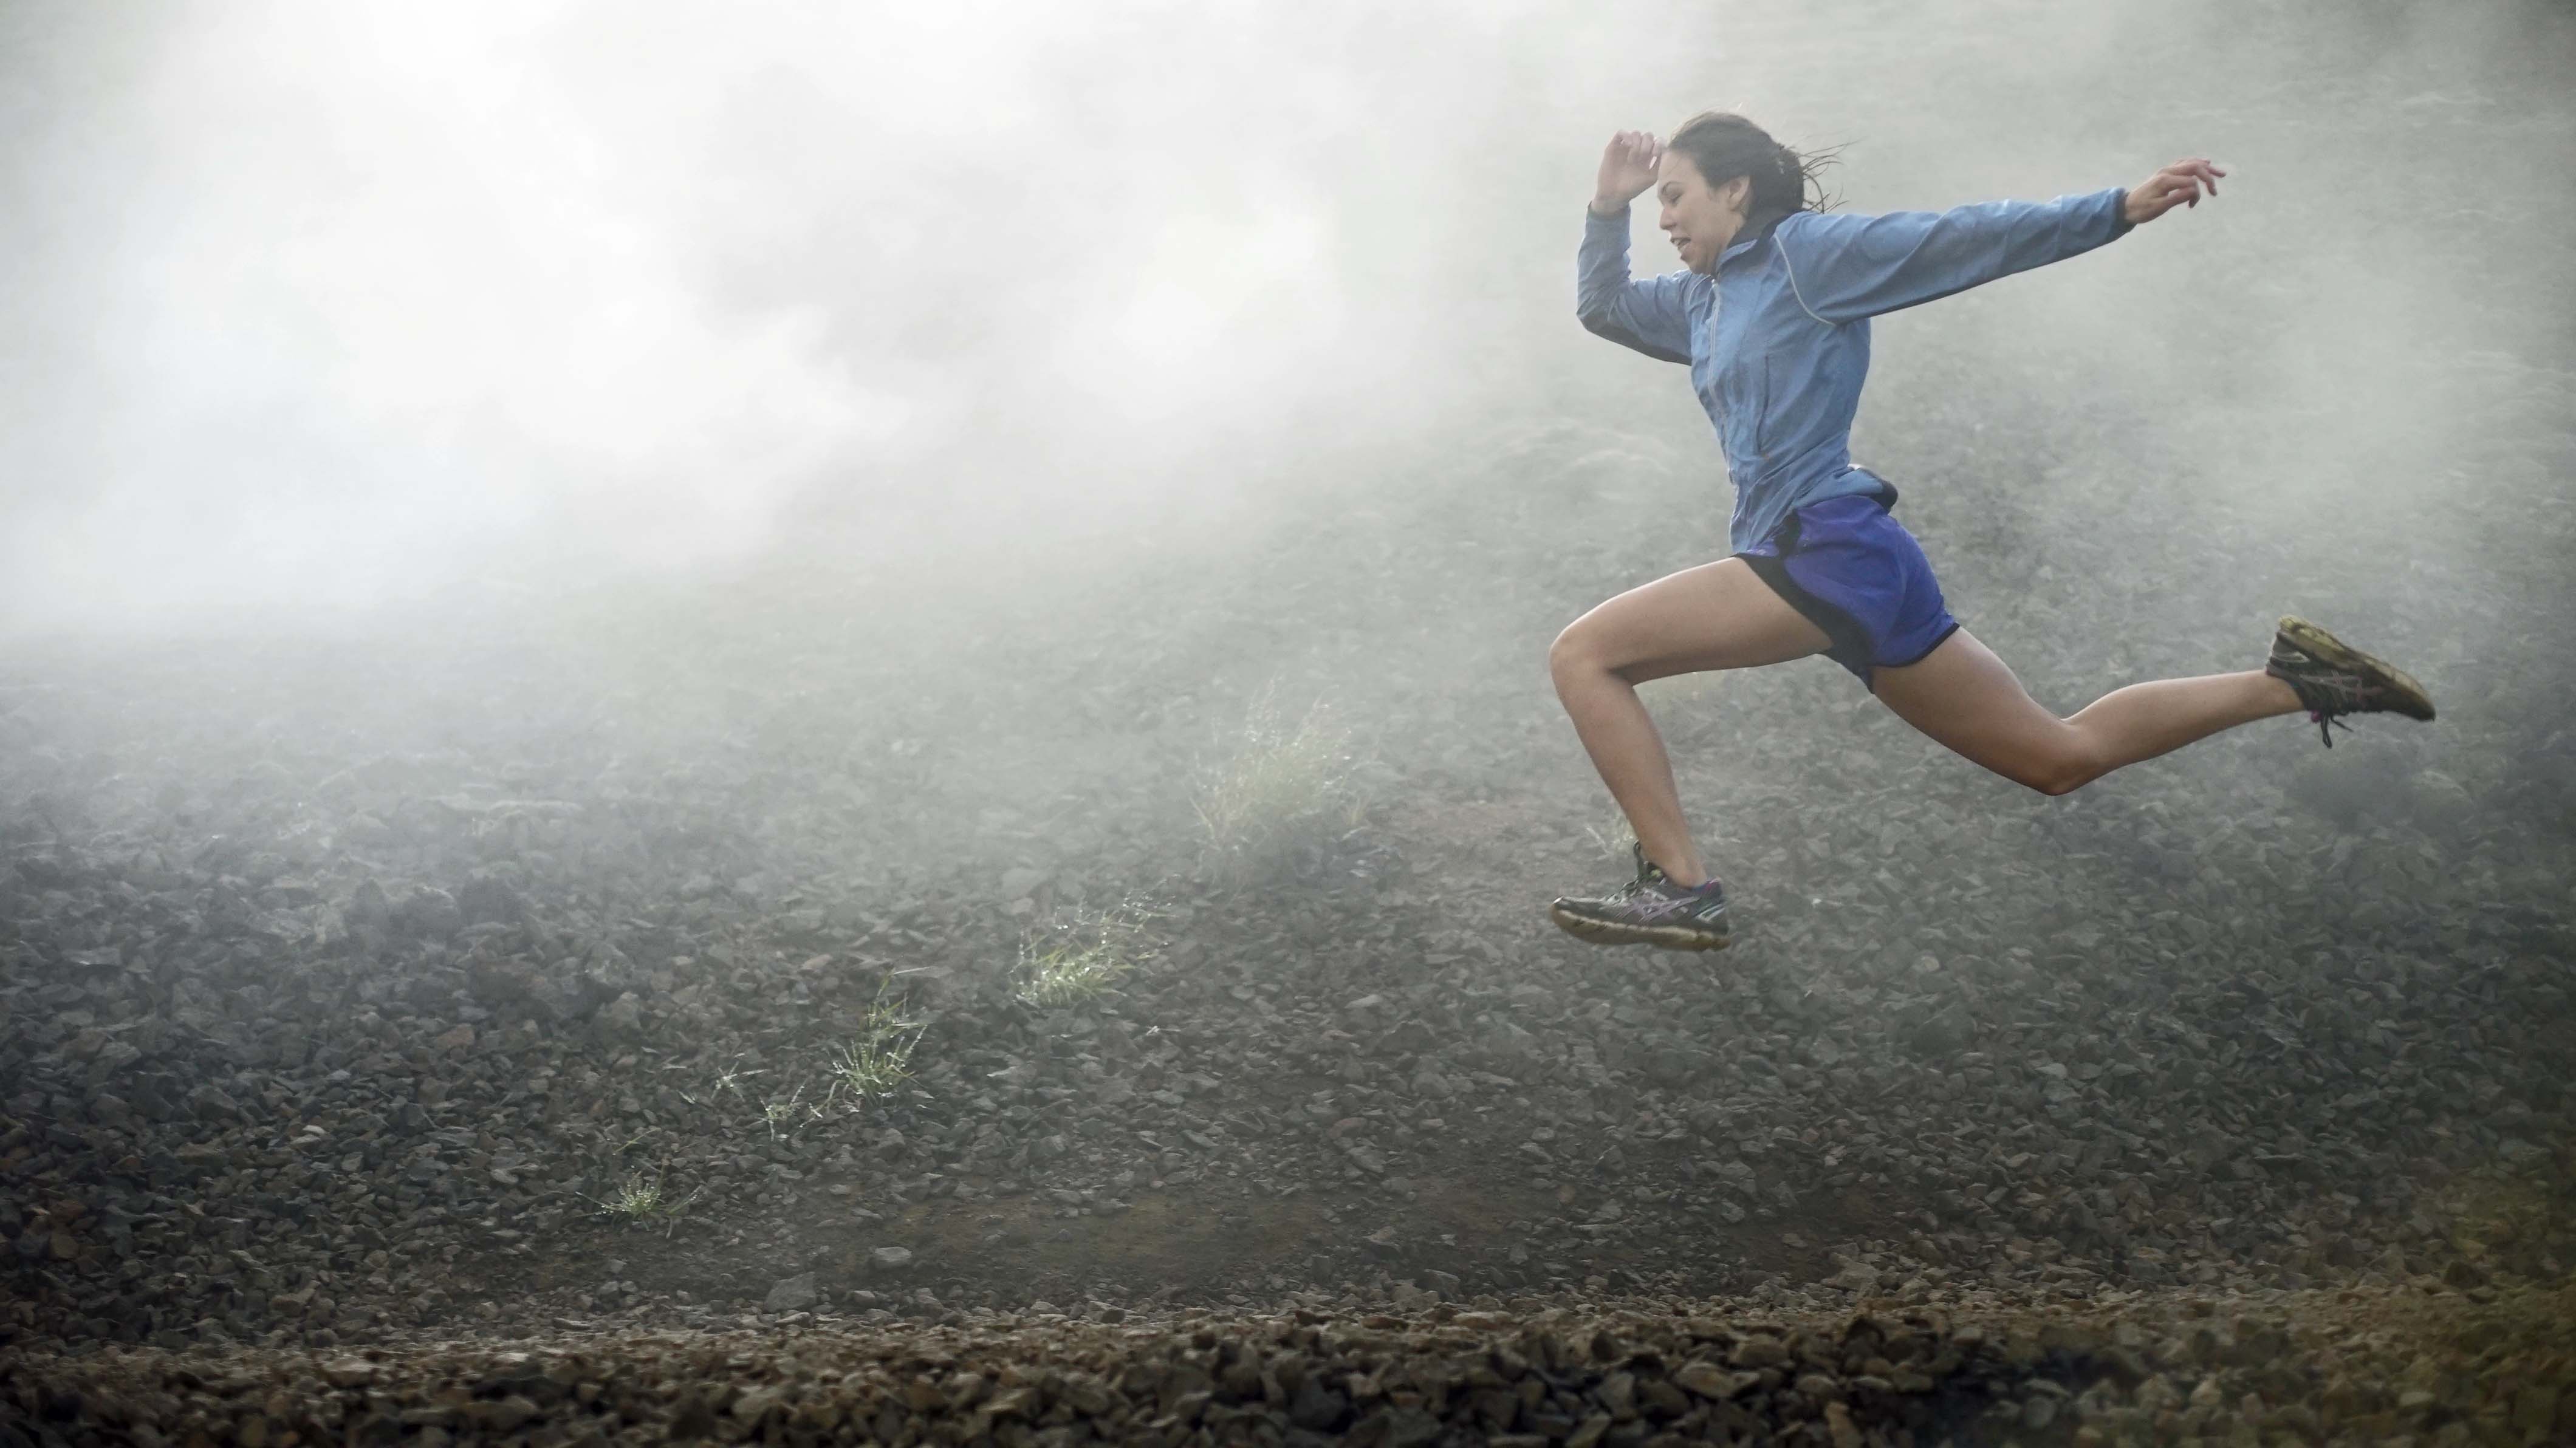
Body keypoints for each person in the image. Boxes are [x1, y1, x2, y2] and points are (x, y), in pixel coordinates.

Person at [1547, 112, 2434, 951]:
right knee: (2058, 757)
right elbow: (1604, 307)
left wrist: (2116, 210)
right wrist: (1606, 208)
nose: (1664, 217)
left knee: (1586, 656)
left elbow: (1961, 238)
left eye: (1675, 196)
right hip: (1856, 563)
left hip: (1822, 546)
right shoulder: (1701, 302)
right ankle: (2297, 681)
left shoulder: (1806, 257)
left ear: (1735, 191)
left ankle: (1682, 886)